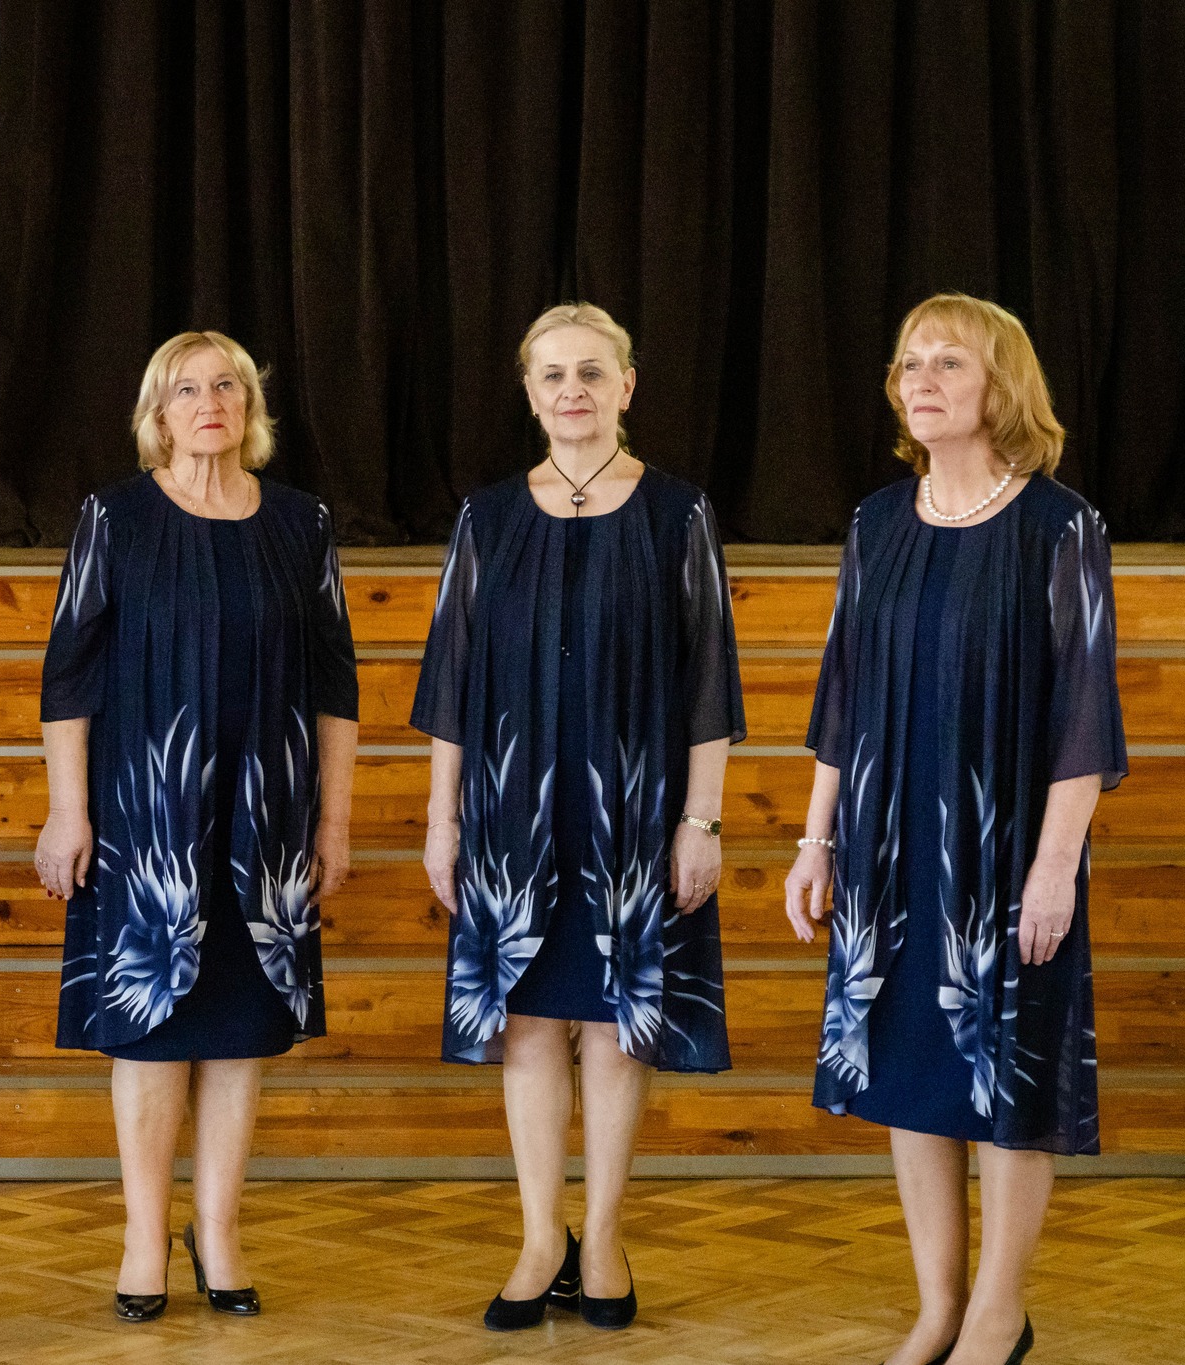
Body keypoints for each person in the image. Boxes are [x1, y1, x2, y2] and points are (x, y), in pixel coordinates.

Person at [785, 293, 1126, 1365]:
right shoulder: (875, 523)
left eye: (948, 363)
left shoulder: (1057, 525)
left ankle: (995, 1313)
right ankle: (936, 1305)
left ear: (1000, 386)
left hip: (1003, 850)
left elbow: (1085, 711)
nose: (920, 380)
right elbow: (842, 696)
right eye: (908, 363)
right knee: (910, 1070)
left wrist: (1055, 867)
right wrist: (815, 841)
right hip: (886, 849)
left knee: (1005, 1075)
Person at [410, 302, 744, 1333]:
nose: (571, 390)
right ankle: (536, 1239)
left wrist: (700, 822)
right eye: (552, 374)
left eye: (591, 372)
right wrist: (441, 820)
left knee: (611, 1027)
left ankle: (600, 1237)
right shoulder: (487, 518)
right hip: (509, 813)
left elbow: (709, 680)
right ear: (528, 391)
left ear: (626, 386)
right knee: (525, 1025)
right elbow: (451, 683)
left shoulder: (677, 513)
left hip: (631, 815)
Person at [35, 330, 359, 1322]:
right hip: (146, 822)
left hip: (269, 822)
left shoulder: (300, 523)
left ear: (250, 407)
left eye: (226, 385)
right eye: (186, 389)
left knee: (239, 1033)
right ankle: (144, 1238)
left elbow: (335, 684)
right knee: (148, 1033)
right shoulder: (116, 518)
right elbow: (69, 675)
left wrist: (334, 822)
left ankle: (217, 1232)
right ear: (157, 415)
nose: (208, 401)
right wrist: (67, 809)